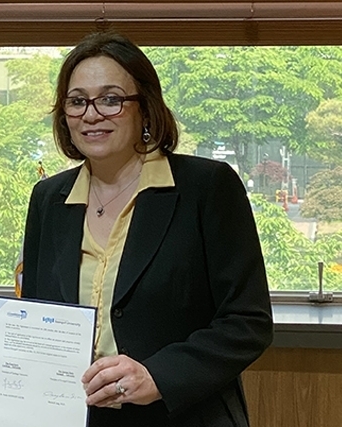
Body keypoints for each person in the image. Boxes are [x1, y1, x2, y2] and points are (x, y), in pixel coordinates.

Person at [21, 31, 273, 426]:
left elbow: (247, 322)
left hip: (184, 414)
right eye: (77, 101)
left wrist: (158, 376)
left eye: (110, 99)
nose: (91, 114)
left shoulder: (206, 187)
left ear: (145, 108)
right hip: (76, 415)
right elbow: (38, 316)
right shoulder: (49, 199)